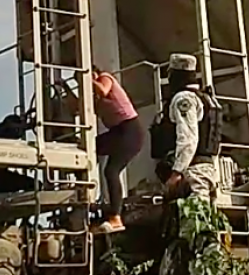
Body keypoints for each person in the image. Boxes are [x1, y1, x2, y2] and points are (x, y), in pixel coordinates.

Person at [151, 53, 222, 203]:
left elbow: (188, 138)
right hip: (206, 171)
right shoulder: (206, 98)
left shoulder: (183, 99)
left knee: (191, 222)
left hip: (191, 173)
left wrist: (176, 172)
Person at [89, 65, 144, 234]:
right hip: (118, 132)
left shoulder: (105, 78)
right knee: (90, 148)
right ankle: (88, 198)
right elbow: (74, 105)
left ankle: (116, 217)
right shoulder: (93, 98)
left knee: (111, 171)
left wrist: (87, 78)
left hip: (130, 130)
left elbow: (104, 90)